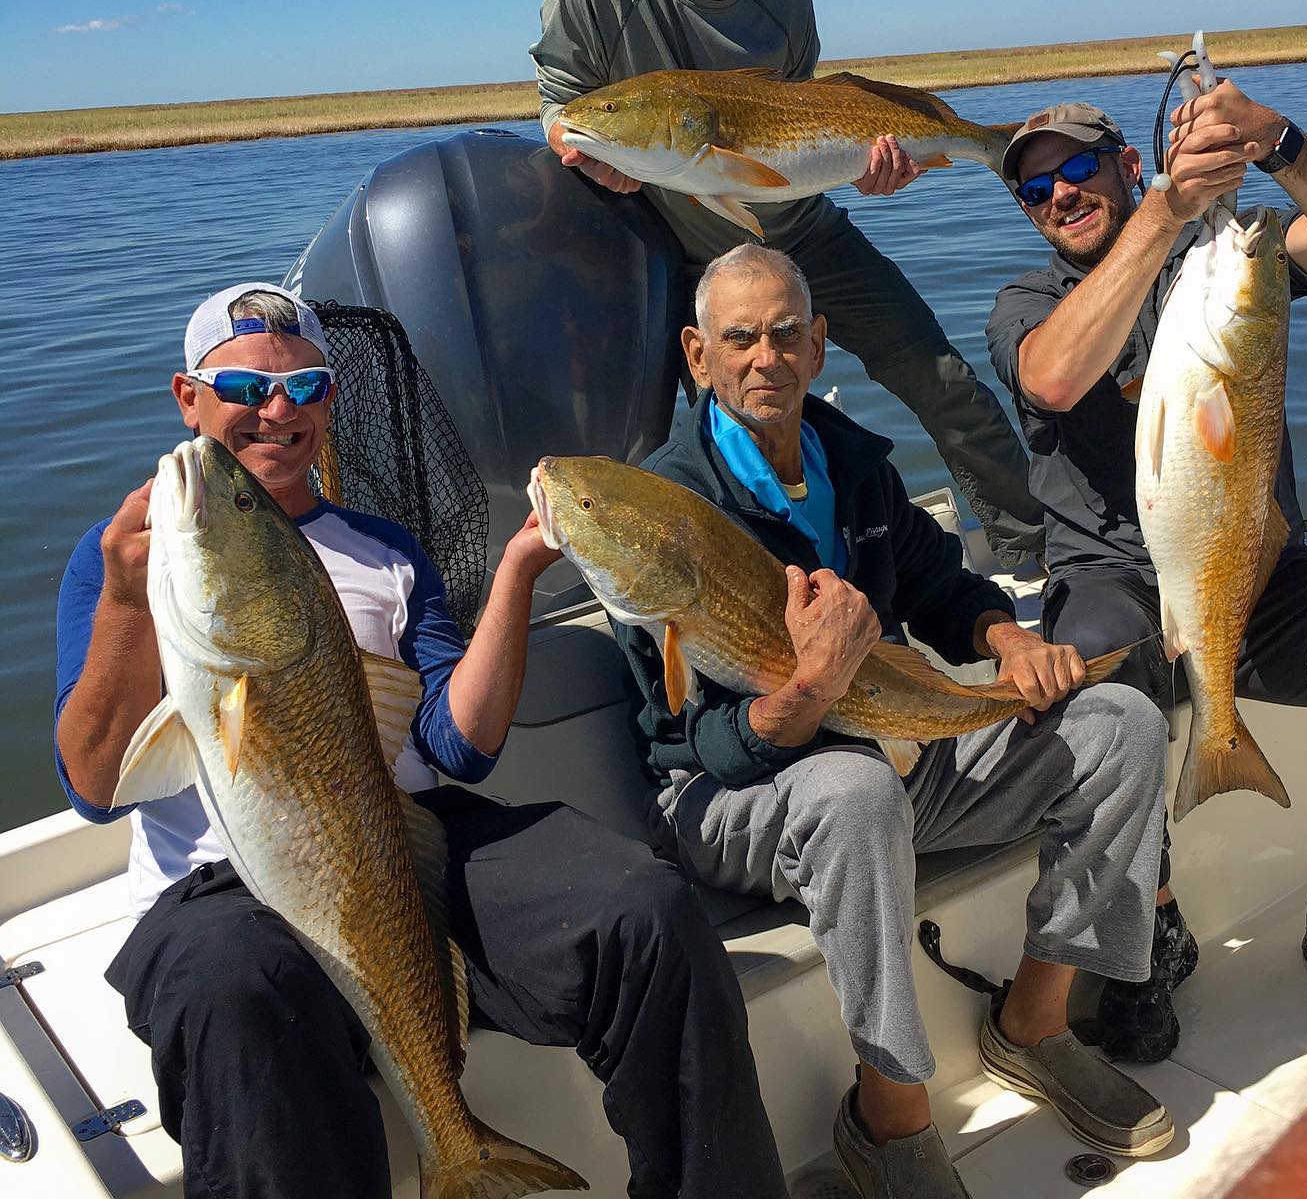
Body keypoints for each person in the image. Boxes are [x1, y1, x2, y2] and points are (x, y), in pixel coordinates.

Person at [54, 282, 787, 1199]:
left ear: (330, 399)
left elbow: (458, 744)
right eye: (243, 390)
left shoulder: (388, 550)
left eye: (306, 386)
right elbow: (90, 784)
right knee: (236, 992)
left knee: (646, 906)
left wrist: (518, 571)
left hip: (406, 835)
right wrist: (127, 603)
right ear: (187, 397)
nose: (276, 412)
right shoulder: (131, 556)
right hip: (216, 889)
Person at [613, 244, 1178, 1198]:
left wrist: (1005, 639)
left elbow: (941, 584)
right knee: (853, 787)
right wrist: (809, 692)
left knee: (1120, 719)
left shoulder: (852, 462)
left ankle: (1033, 1024)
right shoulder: (663, 510)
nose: (766, 358)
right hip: (731, 797)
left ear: (820, 344)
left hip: (881, 753)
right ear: (696, 354)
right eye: (739, 338)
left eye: (787, 333)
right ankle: (889, 1112)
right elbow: (691, 744)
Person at [985, 79, 1307, 1065]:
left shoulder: (1229, 260)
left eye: (1079, 168)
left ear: (1127, 164)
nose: (1059, 194)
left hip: (1247, 579)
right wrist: (1166, 212)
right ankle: (1153, 928)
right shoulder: (1029, 304)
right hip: (1116, 584)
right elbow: (1055, 376)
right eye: (1035, 188)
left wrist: (1277, 139)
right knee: (1095, 680)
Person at [530, 0, 1045, 571]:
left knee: (942, 380)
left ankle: (1035, 559)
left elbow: (810, 135)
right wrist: (586, 150)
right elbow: (564, 113)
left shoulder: (783, 0)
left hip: (806, 235)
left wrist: (872, 172)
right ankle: (731, 603)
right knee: (686, 445)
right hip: (674, 257)